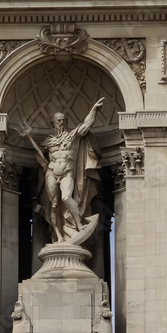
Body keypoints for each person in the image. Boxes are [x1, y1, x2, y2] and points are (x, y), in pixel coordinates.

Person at [19, 98, 103, 243]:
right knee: (54, 205)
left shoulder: (72, 137)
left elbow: (85, 126)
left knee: (66, 198)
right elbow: (36, 154)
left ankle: (79, 225)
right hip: (51, 172)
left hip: (67, 172)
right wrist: (44, 165)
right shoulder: (48, 141)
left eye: (64, 120)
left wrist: (94, 110)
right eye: (59, 121)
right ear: (53, 123)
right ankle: (58, 236)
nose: (62, 123)